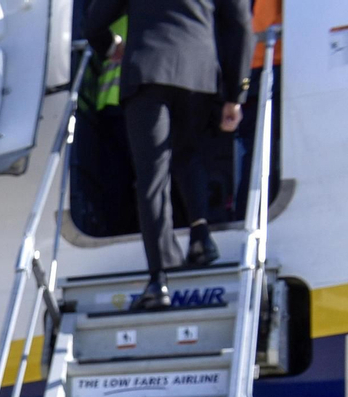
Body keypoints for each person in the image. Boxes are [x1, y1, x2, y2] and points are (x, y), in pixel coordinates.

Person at [84, 0, 254, 311]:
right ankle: (201, 237)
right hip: (198, 75)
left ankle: (159, 280)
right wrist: (235, 95)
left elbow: (94, 20)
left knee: (152, 177)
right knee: (188, 154)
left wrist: (109, 47)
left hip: (147, 71)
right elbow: (241, 22)